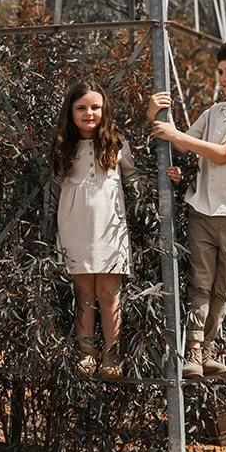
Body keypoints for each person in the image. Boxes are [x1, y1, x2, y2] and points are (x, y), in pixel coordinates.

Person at [147, 38, 226, 378]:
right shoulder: (214, 113)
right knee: (200, 282)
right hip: (202, 209)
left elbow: (221, 154)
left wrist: (175, 134)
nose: (224, 79)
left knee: (222, 286)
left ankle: (209, 348)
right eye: (220, 72)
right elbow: (182, 145)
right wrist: (154, 116)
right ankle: (193, 350)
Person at [51, 81, 137, 379]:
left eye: (95, 107)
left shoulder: (116, 144)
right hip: (75, 226)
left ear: (105, 110)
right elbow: (55, 185)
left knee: (109, 294)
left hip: (110, 229)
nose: (89, 113)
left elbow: (134, 178)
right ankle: (86, 354)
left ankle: (112, 356)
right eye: (81, 108)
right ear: (70, 111)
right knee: (84, 293)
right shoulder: (63, 146)